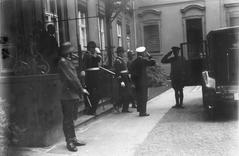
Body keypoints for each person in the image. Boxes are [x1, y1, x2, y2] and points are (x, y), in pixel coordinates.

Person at [58, 42, 89, 152]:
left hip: (71, 95)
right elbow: (71, 78)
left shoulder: (67, 61)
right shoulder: (63, 62)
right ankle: (69, 142)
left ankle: (73, 138)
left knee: (71, 119)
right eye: (70, 51)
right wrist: (81, 89)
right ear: (67, 52)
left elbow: (74, 76)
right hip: (67, 95)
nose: (72, 53)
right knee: (68, 120)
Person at [130, 46, 156, 117]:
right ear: (142, 53)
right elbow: (153, 63)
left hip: (137, 83)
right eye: (144, 52)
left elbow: (131, 72)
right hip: (143, 82)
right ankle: (143, 112)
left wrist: (134, 82)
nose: (145, 53)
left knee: (139, 97)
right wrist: (150, 56)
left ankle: (140, 111)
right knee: (144, 97)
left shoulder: (134, 62)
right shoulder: (143, 61)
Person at [82, 41, 102, 115]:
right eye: (91, 48)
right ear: (88, 48)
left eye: (93, 48)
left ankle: (93, 109)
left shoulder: (95, 55)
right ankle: (90, 109)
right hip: (89, 77)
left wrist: (97, 53)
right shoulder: (87, 55)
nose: (92, 49)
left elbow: (99, 59)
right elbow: (84, 65)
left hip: (96, 76)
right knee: (91, 93)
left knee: (97, 94)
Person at [113, 47, 132, 113]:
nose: (122, 54)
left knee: (128, 94)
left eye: (122, 52)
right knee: (123, 95)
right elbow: (117, 72)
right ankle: (116, 105)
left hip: (126, 78)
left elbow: (126, 70)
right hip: (122, 79)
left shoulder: (122, 60)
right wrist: (121, 81)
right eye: (121, 52)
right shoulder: (117, 61)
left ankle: (125, 108)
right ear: (118, 53)